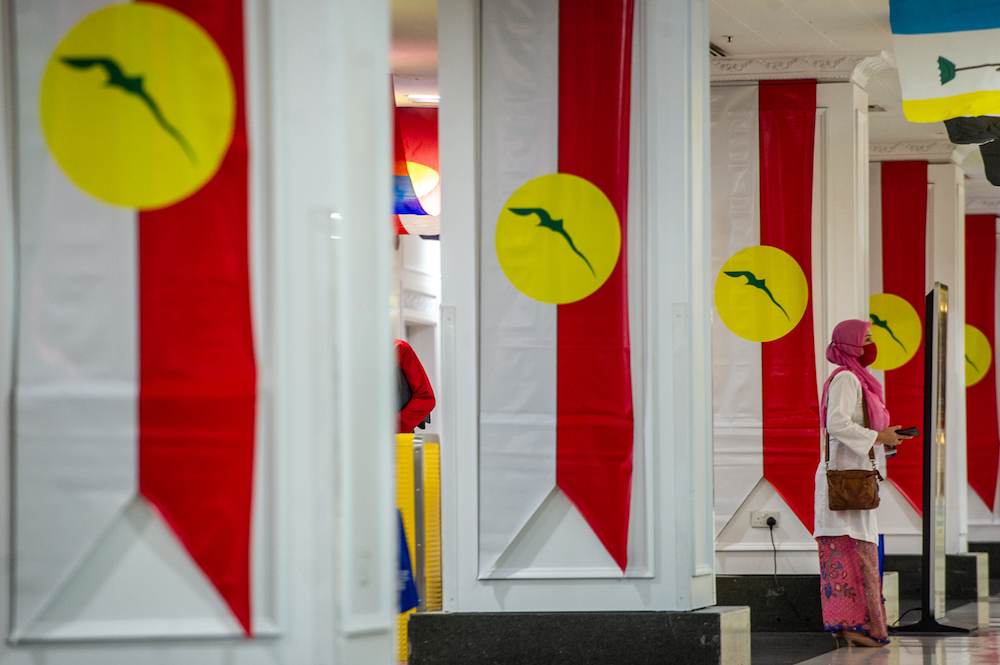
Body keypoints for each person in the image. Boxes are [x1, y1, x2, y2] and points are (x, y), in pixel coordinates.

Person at [814, 319, 913, 648]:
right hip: (844, 481)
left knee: (859, 551)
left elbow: (852, 426)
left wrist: (883, 439)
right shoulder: (845, 378)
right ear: (849, 345)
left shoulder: (858, 379)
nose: (871, 346)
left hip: (854, 477)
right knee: (849, 552)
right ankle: (853, 626)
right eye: (866, 340)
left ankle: (853, 626)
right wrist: (875, 435)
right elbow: (836, 423)